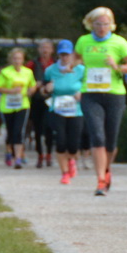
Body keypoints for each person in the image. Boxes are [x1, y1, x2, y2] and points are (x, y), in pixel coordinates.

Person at [75, 7, 127, 196]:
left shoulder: (119, 42)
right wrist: (73, 65)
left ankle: (106, 169)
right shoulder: (83, 41)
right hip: (90, 94)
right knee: (97, 136)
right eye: (98, 24)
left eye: (105, 24)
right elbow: (76, 59)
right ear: (90, 24)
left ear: (111, 25)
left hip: (114, 95)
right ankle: (100, 179)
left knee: (110, 141)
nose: (102, 27)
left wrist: (117, 66)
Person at [40, 40, 87, 182]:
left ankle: (72, 161)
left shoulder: (80, 70)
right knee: (60, 142)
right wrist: (46, 89)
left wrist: (82, 94)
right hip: (57, 110)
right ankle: (64, 172)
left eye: (67, 54)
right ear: (58, 54)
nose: (65, 57)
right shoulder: (50, 70)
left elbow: (88, 87)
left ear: (72, 54)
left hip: (76, 111)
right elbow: (43, 90)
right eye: (62, 54)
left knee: (73, 144)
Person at [0, 47, 37, 169]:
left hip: (22, 105)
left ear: (23, 59)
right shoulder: (5, 72)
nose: (17, 61)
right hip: (7, 105)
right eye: (14, 58)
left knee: (19, 131)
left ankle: (18, 158)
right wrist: (11, 90)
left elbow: (33, 85)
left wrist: (30, 91)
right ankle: (9, 152)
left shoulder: (28, 72)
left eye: (19, 58)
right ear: (10, 59)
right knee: (10, 131)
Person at [28, 38, 56, 167]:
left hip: (52, 100)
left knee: (50, 127)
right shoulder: (32, 64)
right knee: (38, 128)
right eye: (42, 47)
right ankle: (40, 155)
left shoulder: (56, 63)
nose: (45, 50)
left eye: (47, 47)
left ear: (52, 50)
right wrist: (34, 85)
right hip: (37, 100)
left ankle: (49, 154)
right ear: (39, 50)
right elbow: (25, 78)